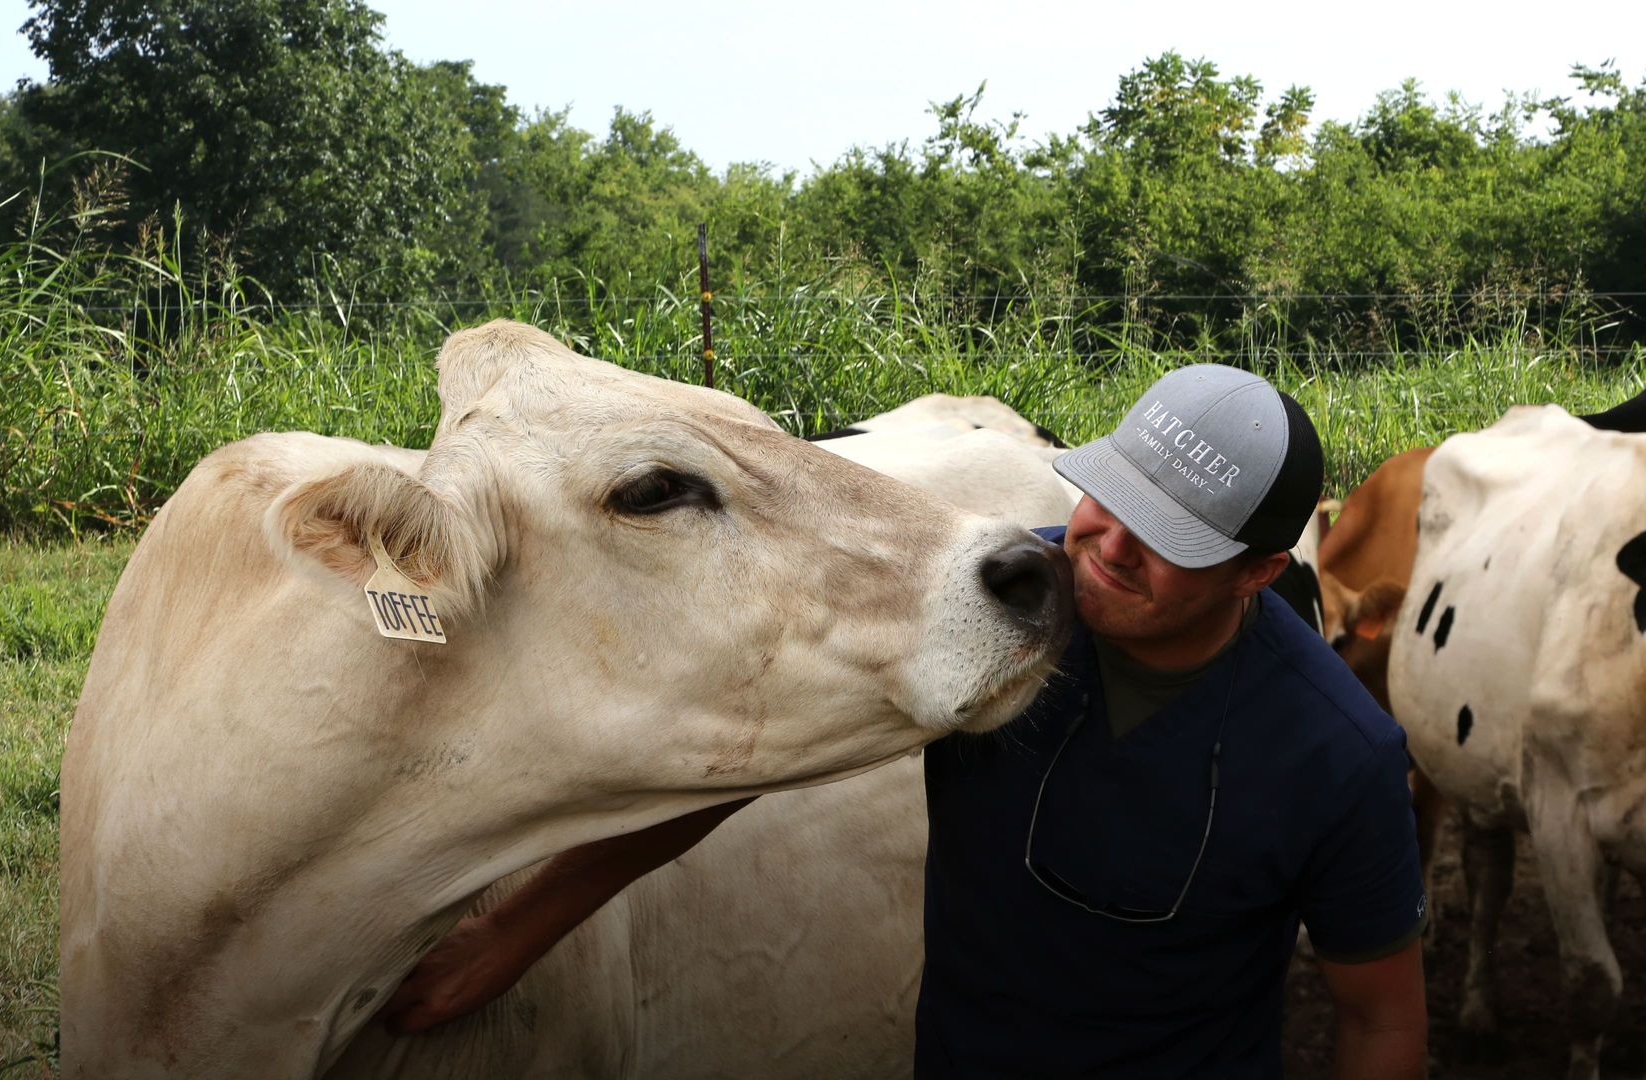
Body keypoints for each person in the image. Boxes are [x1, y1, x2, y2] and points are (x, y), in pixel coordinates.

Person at [384, 365, 1429, 1078]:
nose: (1106, 546)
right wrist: (515, 932)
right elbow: (746, 747)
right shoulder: (1001, 602)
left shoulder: (1340, 756)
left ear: (1258, 573)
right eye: (1111, 495)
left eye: (1170, 538)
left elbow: (1380, 1015)